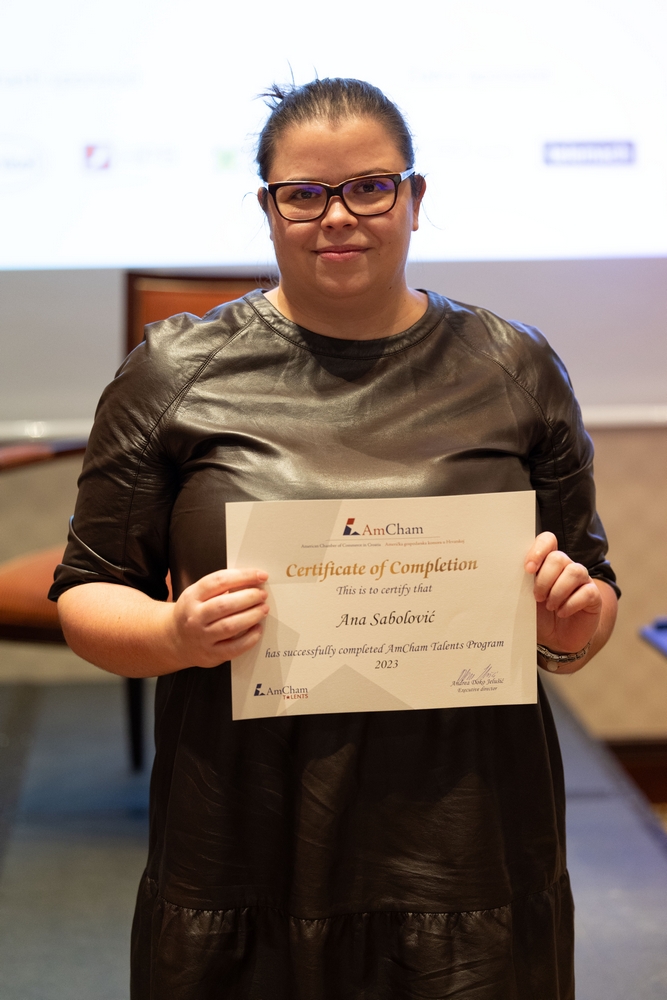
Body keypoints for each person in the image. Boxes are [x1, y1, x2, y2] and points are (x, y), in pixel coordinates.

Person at [50, 78, 618, 999]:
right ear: (268, 208)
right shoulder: (173, 372)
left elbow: (588, 593)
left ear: (414, 198)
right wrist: (173, 633)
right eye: (305, 194)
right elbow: (89, 590)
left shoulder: (513, 366)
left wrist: (571, 621)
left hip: (464, 823)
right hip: (244, 817)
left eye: (369, 187)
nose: (338, 216)